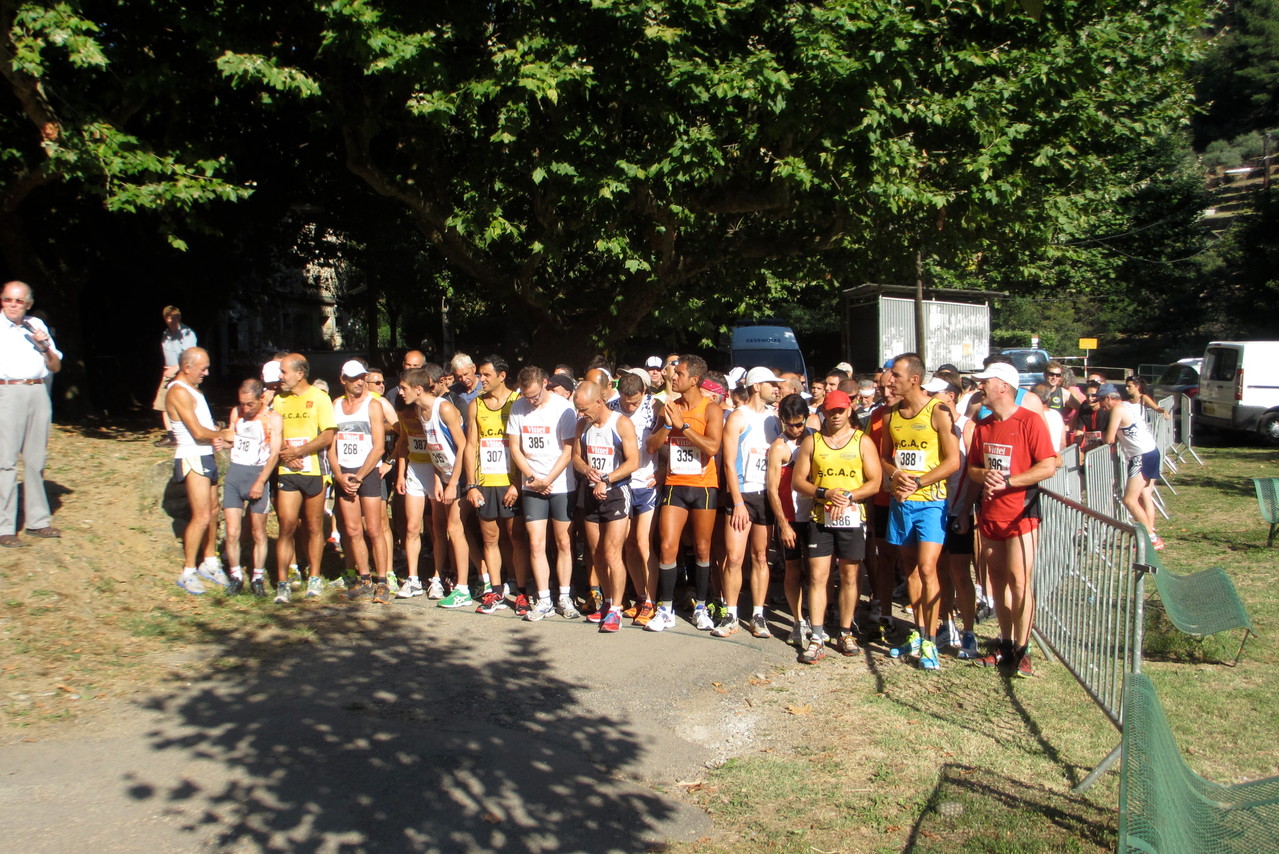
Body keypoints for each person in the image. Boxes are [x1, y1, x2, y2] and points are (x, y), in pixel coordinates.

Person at [967, 361, 1058, 677]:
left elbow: (1048, 465)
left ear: (1003, 386)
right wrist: (987, 475)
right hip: (990, 513)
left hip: (1021, 513)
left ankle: (1023, 650)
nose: (980, 387)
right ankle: (1005, 644)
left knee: (1020, 581)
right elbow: (973, 469)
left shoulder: (1030, 421)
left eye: (985, 382)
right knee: (998, 579)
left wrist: (1009, 481)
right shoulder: (983, 425)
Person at [880, 353, 959, 671]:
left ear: (914, 378)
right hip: (902, 502)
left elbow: (953, 461)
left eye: (895, 375)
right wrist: (896, 475)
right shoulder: (890, 416)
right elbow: (885, 456)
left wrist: (920, 482)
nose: (890, 380)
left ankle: (931, 637)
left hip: (932, 502)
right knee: (910, 569)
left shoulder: (938, 412)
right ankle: (918, 630)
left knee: (928, 569)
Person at [791, 390, 882, 663]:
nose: (837, 415)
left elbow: (875, 482)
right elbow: (799, 481)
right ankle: (817, 635)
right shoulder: (812, 442)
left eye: (841, 410)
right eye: (831, 411)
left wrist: (849, 496)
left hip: (852, 517)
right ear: (824, 412)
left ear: (849, 409)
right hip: (821, 517)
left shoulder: (862, 442)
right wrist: (824, 493)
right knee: (818, 576)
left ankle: (845, 630)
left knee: (850, 576)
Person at [647, 354, 724, 632]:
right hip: (675, 483)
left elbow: (713, 447)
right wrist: (668, 426)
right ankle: (664, 609)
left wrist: (684, 427)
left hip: (703, 486)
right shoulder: (668, 408)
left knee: (703, 548)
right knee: (668, 545)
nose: (672, 376)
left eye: (678, 373)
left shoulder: (711, 409)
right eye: (673, 373)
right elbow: (652, 447)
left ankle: (702, 607)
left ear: (694, 380)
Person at [508, 366, 580, 621]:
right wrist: (531, 477)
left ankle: (564, 595)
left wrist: (548, 479)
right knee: (536, 543)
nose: (532, 401)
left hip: (561, 485)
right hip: (532, 484)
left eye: (536, 395)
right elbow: (515, 448)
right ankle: (543, 597)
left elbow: (569, 450)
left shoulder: (564, 408)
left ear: (545, 383)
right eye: (527, 396)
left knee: (563, 542)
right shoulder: (518, 407)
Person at [717, 367, 784, 638]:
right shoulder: (737, 417)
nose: (776, 388)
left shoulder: (774, 419)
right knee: (734, 557)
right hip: (742, 495)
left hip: (765, 495)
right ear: (757, 386)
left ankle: (758, 614)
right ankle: (730, 614)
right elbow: (729, 464)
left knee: (760, 556)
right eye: (771, 384)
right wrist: (738, 501)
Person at [572, 380, 640, 633]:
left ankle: (616, 610)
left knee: (612, 553)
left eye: (585, 409)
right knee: (596, 552)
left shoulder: (621, 423)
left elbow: (634, 461)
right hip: (590, 493)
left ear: (599, 401)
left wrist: (607, 479)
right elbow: (575, 457)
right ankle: (607, 600)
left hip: (615, 493)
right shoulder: (583, 425)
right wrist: (587, 470)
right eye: (579, 409)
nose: (582, 414)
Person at [464, 355, 531, 614]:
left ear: (502, 376)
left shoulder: (518, 403)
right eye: (480, 375)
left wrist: (518, 483)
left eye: (486, 375)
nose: (481, 379)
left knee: (517, 538)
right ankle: (495, 590)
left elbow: (523, 446)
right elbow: (470, 447)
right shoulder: (476, 405)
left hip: (511, 482)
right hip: (485, 482)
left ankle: (522, 592)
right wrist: (471, 485)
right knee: (490, 538)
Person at [0, 281, 62, 548]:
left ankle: (38, 522)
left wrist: (45, 346)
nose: (13, 305)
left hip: (37, 392)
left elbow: (56, 365)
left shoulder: (36, 326)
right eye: (7, 300)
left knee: (36, 460)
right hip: (7, 392)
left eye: (18, 301)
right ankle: (5, 526)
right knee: (6, 461)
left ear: (28, 304)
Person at [272, 353, 336, 604]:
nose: (280, 376)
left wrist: (299, 451)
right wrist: (286, 453)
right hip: (287, 472)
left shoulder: (320, 398)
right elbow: (272, 435)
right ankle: (282, 582)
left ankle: (315, 577)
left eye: (284, 372)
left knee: (313, 527)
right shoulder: (279, 400)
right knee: (286, 526)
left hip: (313, 470)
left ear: (300, 374)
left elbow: (328, 435)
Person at [329, 360, 393, 603]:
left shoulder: (373, 405)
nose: (359, 382)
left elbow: (378, 447)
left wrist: (360, 475)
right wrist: (338, 474)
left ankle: (383, 581)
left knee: (374, 529)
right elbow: (331, 445)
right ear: (342, 379)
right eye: (354, 377)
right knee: (353, 529)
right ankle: (364, 579)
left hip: (367, 473)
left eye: (362, 377)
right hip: (345, 473)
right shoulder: (336, 405)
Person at [165, 347, 227, 593]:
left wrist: (216, 433)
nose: (207, 373)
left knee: (212, 511)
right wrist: (223, 434)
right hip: (192, 455)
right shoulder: (179, 391)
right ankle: (188, 571)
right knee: (201, 515)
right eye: (203, 368)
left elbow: (205, 428)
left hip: (205, 454)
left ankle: (209, 561)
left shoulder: (193, 388)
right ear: (187, 367)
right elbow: (198, 433)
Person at [610, 371, 664, 625]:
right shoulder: (611, 408)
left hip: (646, 482)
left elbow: (669, 441)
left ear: (644, 393)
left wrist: (663, 472)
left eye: (634, 402)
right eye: (625, 401)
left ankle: (652, 600)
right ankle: (641, 596)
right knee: (628, 543)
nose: (629, 406)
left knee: (643, 542)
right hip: (621, 483)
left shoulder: (655, 408)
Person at [220, 379, 282, 597]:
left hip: (258, 475)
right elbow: (232, 437)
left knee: (258, 532)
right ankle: (235, 575)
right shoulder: (236, 412)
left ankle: (257, 577)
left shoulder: (271, 418)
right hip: (236, 474)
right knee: (232, 531)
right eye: (242, 403)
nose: (245, 408)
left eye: (250, 404)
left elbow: (274, 454)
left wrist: (260, 482)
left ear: (260, 399)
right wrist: (224, 441)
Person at [765, 393, 813, 648]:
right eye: (789, 424)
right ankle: (797, 621)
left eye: (799, 423)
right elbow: (772, 489)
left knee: (818, 571)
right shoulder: (779, 447)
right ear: (781, 420)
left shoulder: (815, 438)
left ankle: (818, 619)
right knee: (793, 569)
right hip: (792, 517)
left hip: (815, 514)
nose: (795, 428)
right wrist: (782, 524)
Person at [1101, 383, 1164, 549]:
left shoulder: (1117, 409)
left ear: (1108, 398)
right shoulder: (1129, 405)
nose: (1103, 408)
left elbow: (1109, 438)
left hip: (1140, 455)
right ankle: (1150, 536)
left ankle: (1151, 538)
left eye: (1103, 404)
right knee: (1144, 496)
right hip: (1151, 451)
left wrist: (1099, 438)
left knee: (1129, 500)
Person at [153, 306, 198, 447]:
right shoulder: (166, 334)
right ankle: (172, 436)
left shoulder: (187, 334)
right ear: (166, 319)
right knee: (163, 403)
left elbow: (189, 356)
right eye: (170, 317)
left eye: (176, 317)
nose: (173, 320)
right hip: (168, 373)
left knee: (190, 404)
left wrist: (175, 368)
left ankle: (195, 431)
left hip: (185, 373)